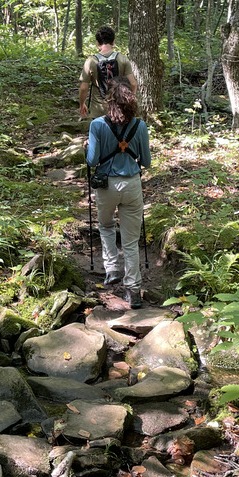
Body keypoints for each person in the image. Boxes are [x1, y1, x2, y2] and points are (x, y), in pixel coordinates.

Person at [86, 76, 151, 308]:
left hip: (107, 184)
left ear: (109, 100)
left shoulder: (97, 125)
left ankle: (112, 270)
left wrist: (89, 147)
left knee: (105, 226)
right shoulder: (140, 126)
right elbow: (147, 161)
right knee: (132, 241)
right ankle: (133, 290)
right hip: (132, 184)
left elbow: (92, 160)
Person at [79, 25, 138, 120]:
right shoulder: (123, 59)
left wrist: (82, 104)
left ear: (98, 43)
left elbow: (83, 88)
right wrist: (130, 102)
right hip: (119, 108)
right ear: (113, 42)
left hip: (98, 110)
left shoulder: (91, 61)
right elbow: (133, 84)